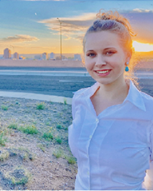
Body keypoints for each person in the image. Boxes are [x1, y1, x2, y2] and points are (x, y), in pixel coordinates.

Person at [68, 10, 153, 190]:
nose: (99, 62)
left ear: (128, 55)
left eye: (109, 52)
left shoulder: (149, 112)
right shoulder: (80, 100)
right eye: (91, 54)